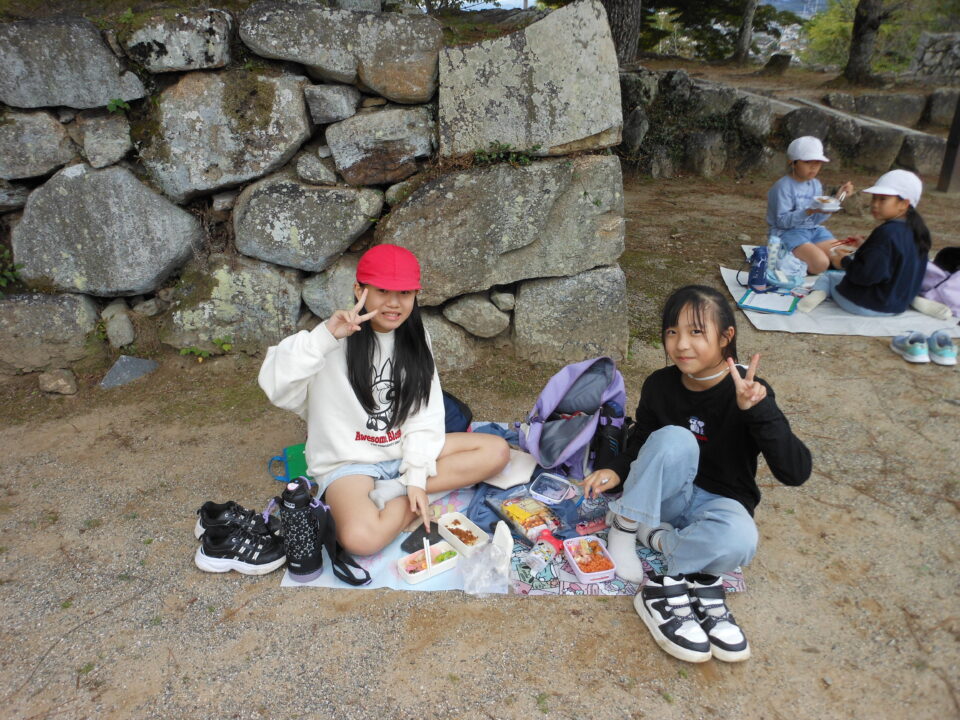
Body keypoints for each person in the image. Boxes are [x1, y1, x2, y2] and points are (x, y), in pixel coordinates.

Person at [582, 285, 811, 664]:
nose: (681, 344)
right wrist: (616, 470)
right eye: (672, 332)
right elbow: (641, 442)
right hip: (666, 495)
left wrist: (758, 410)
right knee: (674, 438)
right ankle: (623, 530)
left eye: (697, 332)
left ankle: (658, 540)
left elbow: (795, 471)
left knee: (740, 541)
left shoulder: (749, 391)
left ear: (726, 337)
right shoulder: (660, 384)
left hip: (718, 501)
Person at [259, 244, 509, 557]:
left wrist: (415, 477)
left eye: (404, 293)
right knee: (361, 540)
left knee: (497, 450)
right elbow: (276, 385)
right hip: (351, 462)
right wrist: (325, 337)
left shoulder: (416, 339)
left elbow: (424, 414)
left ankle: (398, 490)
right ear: (359, 290)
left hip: (403, 449)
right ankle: (406, 500)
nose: (393, 303)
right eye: (382, 291)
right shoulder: (329, 340)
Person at [798, 169, 930, 318]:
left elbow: (866, 276)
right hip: (899, 303)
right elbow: (894, 257)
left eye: (883, 199)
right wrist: (865, 245)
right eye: (874, 198)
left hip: (869, 305)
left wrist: (843, 262)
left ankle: (816, 295)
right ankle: (914, 300)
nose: (875, 204)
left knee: (829, 277)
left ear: (904, 204)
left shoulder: (886, 233)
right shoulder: (919, 230)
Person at [766, 136, 854, 275]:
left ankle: (815, 254)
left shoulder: (815, 184)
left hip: (813, 230)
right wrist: (808, 211)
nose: (813, 167)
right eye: (807, 162)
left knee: (844, 254)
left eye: (817, 163)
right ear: (792, 162)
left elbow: (816, 219)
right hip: (787, 233)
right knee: (821, 263)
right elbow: (782, 222)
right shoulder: (783, 186)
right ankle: (789, 256)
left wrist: (837, 199)